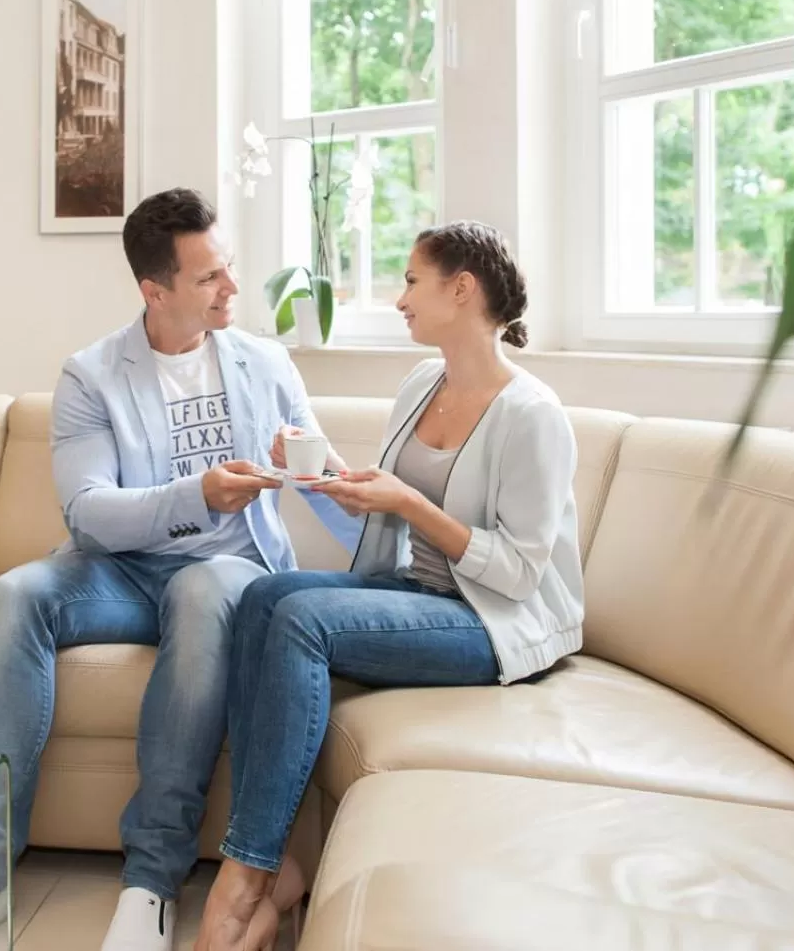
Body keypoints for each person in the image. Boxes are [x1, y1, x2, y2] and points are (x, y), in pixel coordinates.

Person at [0, 188, 345, 951]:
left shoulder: (265, 362)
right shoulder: (92, 374)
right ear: (154, 290)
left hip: (227, 568)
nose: (232, 288)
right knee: (19, 594)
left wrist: (362, 505)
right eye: (209, 278)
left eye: (228, 269)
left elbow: (314, 473)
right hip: (120, 572)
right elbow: (90, 512)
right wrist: (196, 493)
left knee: (200, 590)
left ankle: (151, 881)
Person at [193, 221, 583, 951]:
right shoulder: (418, 384)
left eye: (411, 281)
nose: (399, 298)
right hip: (416, 593)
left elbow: (521, 572)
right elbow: (393, 502)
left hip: (491, 621)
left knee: (302, 619)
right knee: (260, 597)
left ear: (461, 288)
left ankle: (247, 872)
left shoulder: (532, 414)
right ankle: (271, 870)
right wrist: (331, 478)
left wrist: (406, 502)